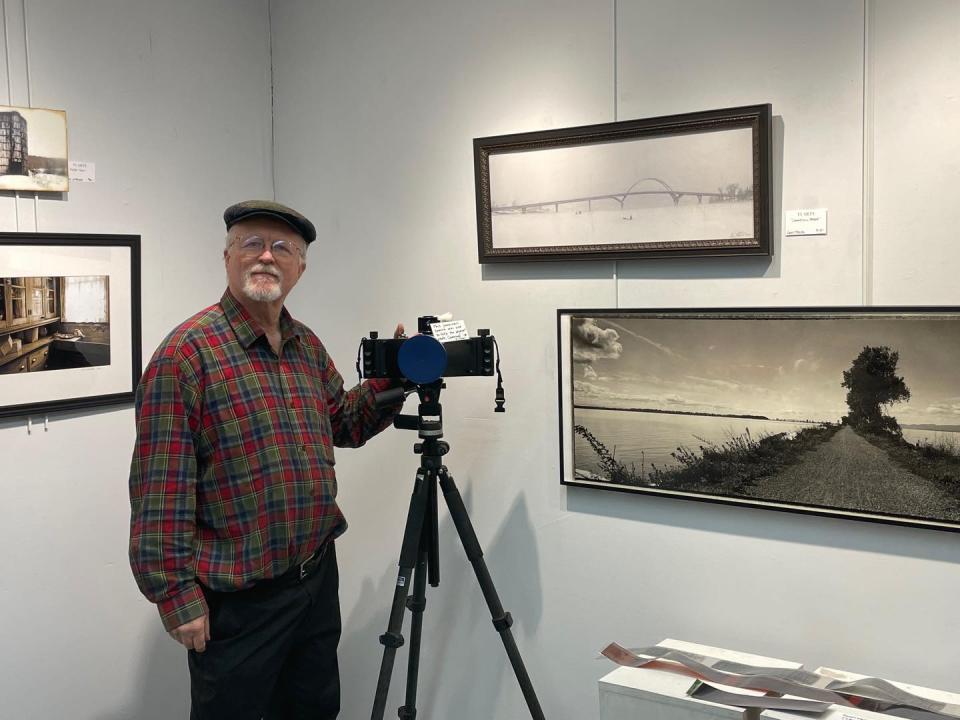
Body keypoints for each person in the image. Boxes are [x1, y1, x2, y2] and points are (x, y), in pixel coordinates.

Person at [129, 200, 403, 719]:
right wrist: (176, 597)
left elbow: (343, 421)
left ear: (300, 267)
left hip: (315, 583)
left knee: (315, 710)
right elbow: (160, 491)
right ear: (227, 255)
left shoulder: (305, 345)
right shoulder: (186, 356)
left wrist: (394, 379)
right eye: (251, 243)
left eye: (283, 248)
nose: (266, 257)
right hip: (239, 602)